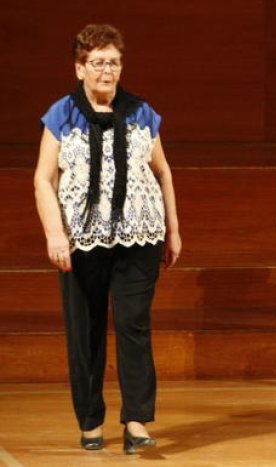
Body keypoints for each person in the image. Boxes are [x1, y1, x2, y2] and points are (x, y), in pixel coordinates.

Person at [33, 24, 183, 453]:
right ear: (79, 68)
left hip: (140, 235)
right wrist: (54, 234)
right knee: (86, 331)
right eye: (97, 62)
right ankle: (91, 420)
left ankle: (136, 421)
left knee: (134, 325)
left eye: (114, 62)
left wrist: (173, 229)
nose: (107, 70)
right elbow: (43, 179)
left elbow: (162, 172)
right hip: (81, 240)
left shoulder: (141, 111)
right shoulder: (62, 114)